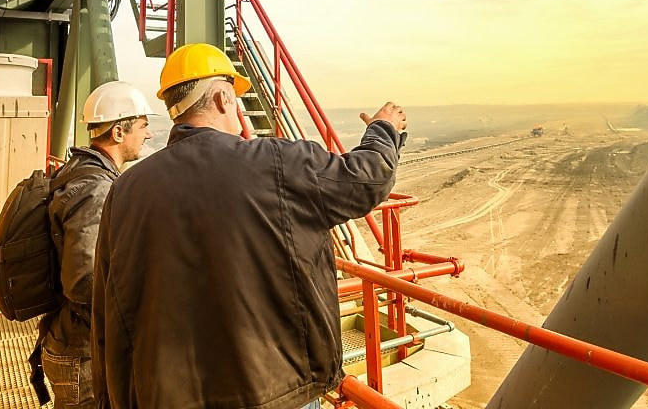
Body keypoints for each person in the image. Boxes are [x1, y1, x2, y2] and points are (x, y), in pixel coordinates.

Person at [91, 43, 408, 408]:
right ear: (225, 98)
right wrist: (384, 130)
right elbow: (366, 179)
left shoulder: (126, 190)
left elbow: (106, 311)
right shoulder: (274, 162)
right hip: (275, 390)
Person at [41, 80, 155, 409]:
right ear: (119, 132)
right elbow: (85, 281)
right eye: (143, 126)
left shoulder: (77, 171)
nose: (148, 134)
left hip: (71, 343)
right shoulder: (96, 188)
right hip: (81, 353)